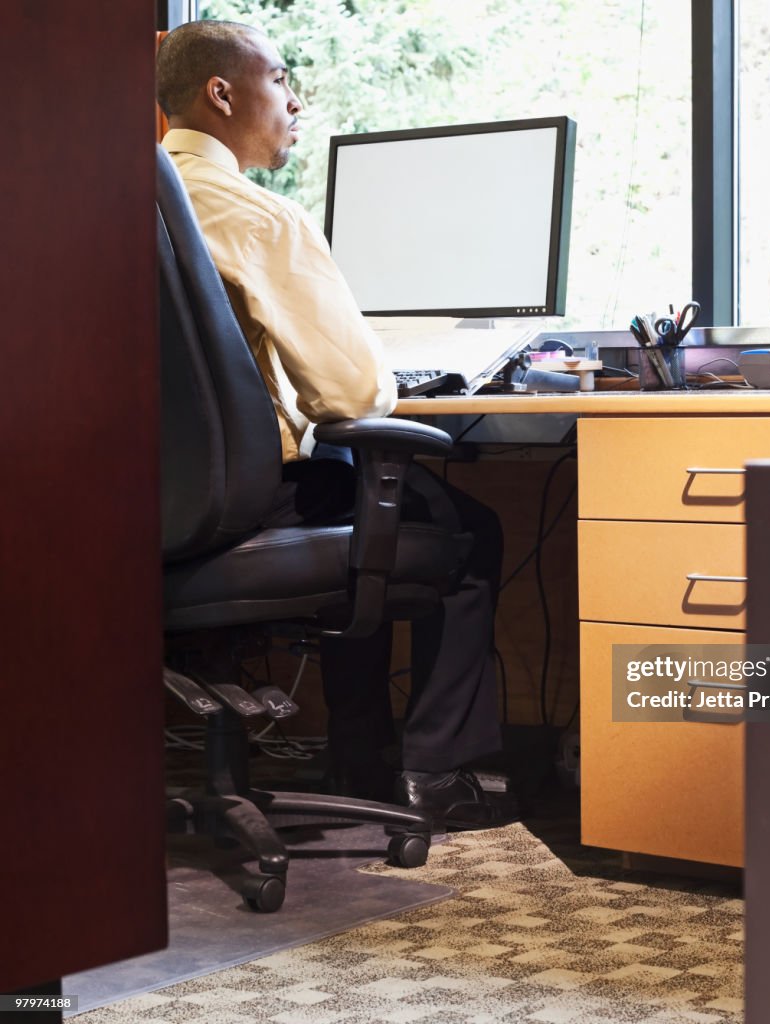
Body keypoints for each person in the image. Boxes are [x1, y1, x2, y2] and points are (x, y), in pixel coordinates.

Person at [156, 19, 511, 830]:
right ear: (222, 93)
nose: (296, 100)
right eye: (282, 79)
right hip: (242, 508)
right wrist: (387, 370)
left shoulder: (111, 207)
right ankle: (435, 774)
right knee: (454, 526)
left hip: (138, 517)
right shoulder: (257, 215)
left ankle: (358, 755)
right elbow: (351, 399)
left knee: (358, 494)